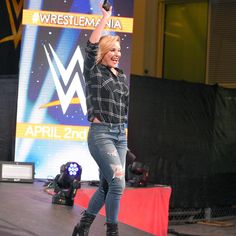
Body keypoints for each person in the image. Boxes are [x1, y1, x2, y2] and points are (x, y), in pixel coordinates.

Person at [72, 3, 129, 236]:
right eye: (112, 50)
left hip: (120, 135)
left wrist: (124, 132)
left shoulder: (121, 75)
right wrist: (105, 18)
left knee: (107, 186)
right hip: (101, 134)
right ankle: (112, 232)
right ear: (103, 52)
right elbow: (91, 45)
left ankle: (82, 226)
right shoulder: (94, 71)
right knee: (118, 184)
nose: (117, 54)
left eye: (119, 50)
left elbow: (123, 109)